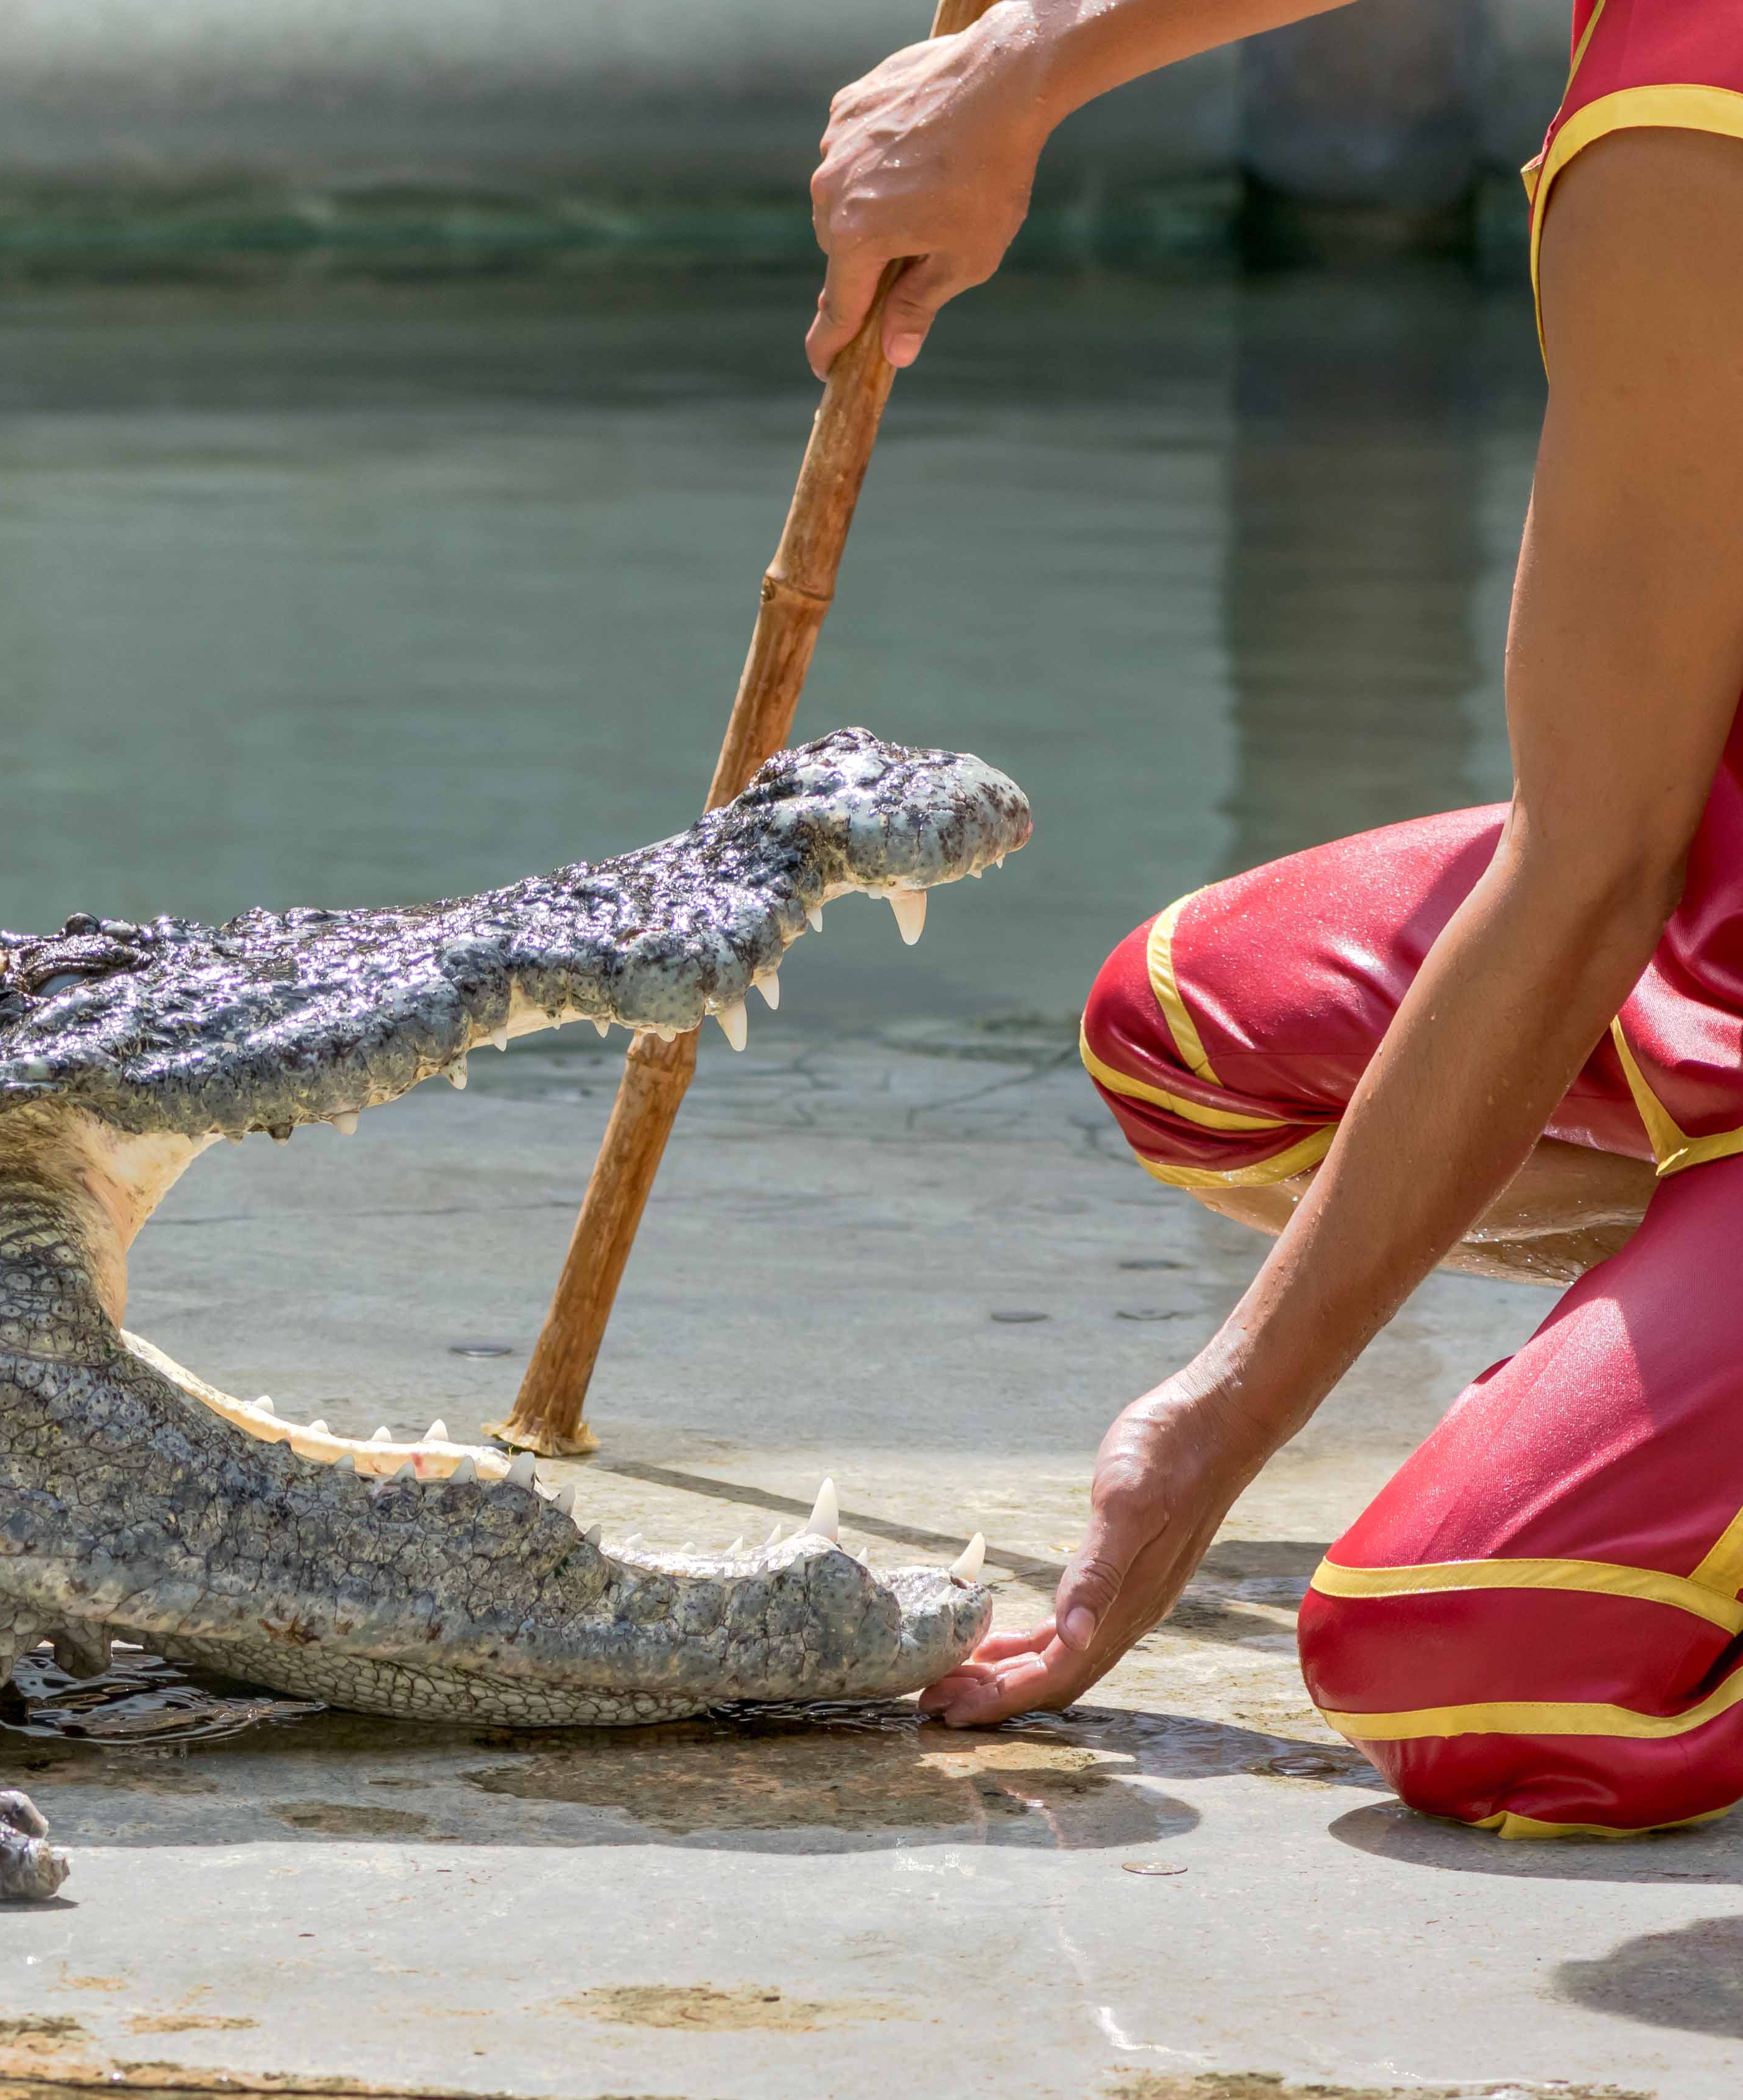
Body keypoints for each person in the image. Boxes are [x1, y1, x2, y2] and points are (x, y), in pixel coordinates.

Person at [808, 0, 1743, 1834]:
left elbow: (1585, 873)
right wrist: (1037, 61)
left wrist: (1212, 1427)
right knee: (1191, 1031)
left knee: (1489, 1669)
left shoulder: (1690, 118)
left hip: (1650, 879)